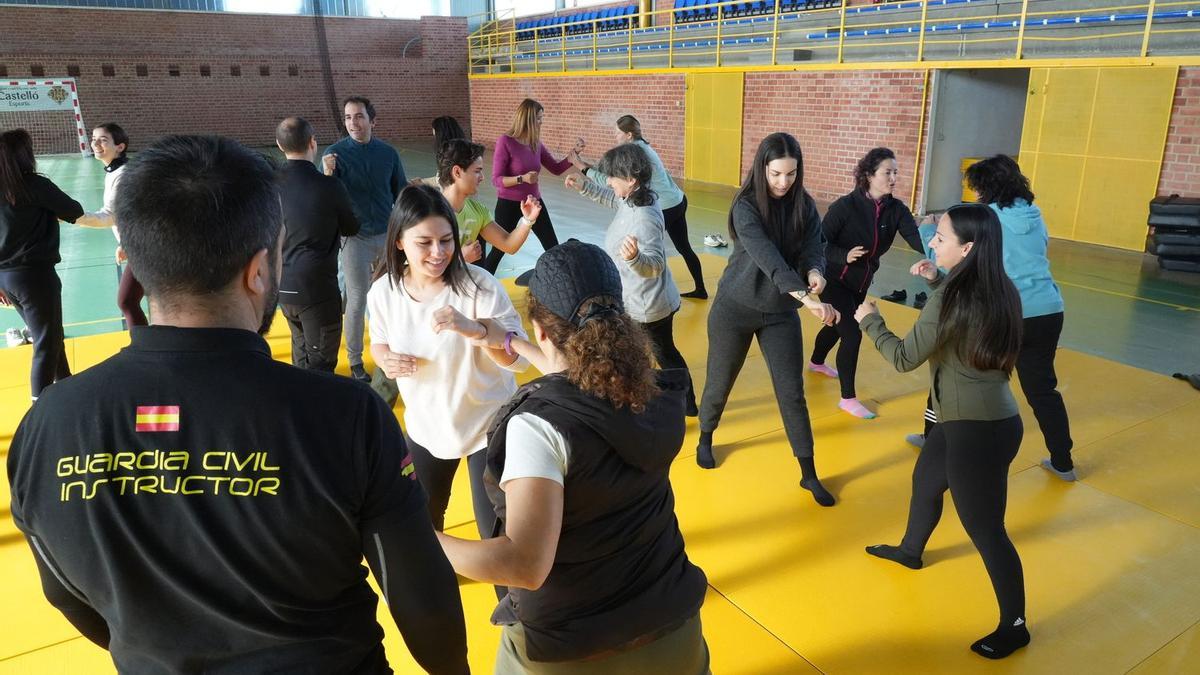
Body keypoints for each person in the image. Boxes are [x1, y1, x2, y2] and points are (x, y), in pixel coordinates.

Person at [6, 135, 469, 674]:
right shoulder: (346, 417)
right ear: (257, 271)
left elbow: (69, 596)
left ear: (134, 260)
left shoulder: (47, 427)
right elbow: (421, 598)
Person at [437, 240, 710, 673]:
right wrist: (507, 340)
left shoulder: (539, 427)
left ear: (542, 331)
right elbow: (578, 375)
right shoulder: (650, 391)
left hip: (574, 647)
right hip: (674, 632)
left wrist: (418, 533)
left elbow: (524, 565)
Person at [856, 203, 1029, 660]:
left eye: (942, 237)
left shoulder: (951, 299)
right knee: (927, 480)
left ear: (967, 248)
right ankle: (911, 550)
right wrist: (936, 277)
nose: (932, 240)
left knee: (987, 530)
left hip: (977, 431)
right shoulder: (997, 287)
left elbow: (902, 358)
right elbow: (961, 320)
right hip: (975, 420)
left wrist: (869, 318)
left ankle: (1015, 625)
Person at [367, 184, 529, 535]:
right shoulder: (383, 292)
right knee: (422, 525)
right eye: (424, 243)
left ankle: (507, 593)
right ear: (399, 242)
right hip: (427, 426)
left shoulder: (480, 286)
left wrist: (477, 330)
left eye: (446, 240)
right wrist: (386, 360)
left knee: (498, 537)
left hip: (488, 425)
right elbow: (379, 341)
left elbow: (520, 362)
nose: (438, 252)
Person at [694, 132, 839, 507]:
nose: (783, 182)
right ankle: (706, 436)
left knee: (792, 392)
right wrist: (807, 298)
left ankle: (808, 474)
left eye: (791, 174)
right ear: (762, 168)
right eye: (776, 174)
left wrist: (816, 272)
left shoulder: (804, 205)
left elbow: (814, 247)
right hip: (735, 308)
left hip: (780, 313)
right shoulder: (745, 206)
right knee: (719, 381)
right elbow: (769, 259)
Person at [564, 143, 697, 415]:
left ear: (631, 180)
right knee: (656, 354)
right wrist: (585, 187)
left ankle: (684, 404)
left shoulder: (644, 218)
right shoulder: (635, 197)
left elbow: (657, 265)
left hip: (649, 306)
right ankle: (673, 401)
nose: (609, 180)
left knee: (661, 355)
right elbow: (614, 199)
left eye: (612, 176)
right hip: (635, 299)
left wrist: (636, 258)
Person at [807, 147, 925, 419]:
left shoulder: (896, 210)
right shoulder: (845, 207)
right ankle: (847, 399)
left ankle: (815, 362)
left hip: (861, 283)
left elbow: (915, 239)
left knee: (837, 327)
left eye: (896, 172)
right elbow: (817, 244)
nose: (894, 177)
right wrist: (842, 255)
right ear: (869, 175)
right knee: (852, 333)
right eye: (888, 172)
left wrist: (941, 247)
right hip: (833, 279)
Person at [572, 115, 706, 299]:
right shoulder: (642, 147)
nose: (615, 137)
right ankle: (701, 289)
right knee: (684, 248)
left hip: (665, 206)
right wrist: (585, 167)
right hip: (678, 201)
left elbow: (610, 181)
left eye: (617, 133)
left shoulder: (635, 152)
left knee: (642, 251)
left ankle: (647, 294)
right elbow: (612, 174)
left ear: (628, 135)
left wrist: (582, 167)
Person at [322, 95, 406, 382]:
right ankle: (355, 360)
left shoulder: (388, 154)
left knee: (392, 294)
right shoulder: (335, 154)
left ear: (372, 120)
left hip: (386, 234)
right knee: (357, 299)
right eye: (347, 117)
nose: (352, 123)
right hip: (354, 237)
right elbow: (329, 198)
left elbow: (401, 193)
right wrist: (328, 174)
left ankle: (392, 350)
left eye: (358, 116)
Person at [0, 128, 82, 400]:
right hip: (34, 277)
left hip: (6, 279)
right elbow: (74, 210)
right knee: (46, 343)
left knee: (51, 336)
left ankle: (66, 388)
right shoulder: (34, 186)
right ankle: (41, 408)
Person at [275, 116, 360, 372]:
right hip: (317, 289)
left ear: (280, 145)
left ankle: (300, 407)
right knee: (322, 364)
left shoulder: (269, 184)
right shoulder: (329, 186)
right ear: (313, 143)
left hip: (282, 285)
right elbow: (351, 227)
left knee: (300, 354)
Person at [483, 98, 582, 274]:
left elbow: (556, 168)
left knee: (552, 247)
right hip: (509, 204)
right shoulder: (506, 142)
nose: (541, 122)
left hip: (534, 203)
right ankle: (481, 284)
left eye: (542, 117)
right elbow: (496, 180)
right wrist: (522, 179)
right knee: (499, 250)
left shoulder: (536, 143)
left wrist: (573, 154)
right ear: (527, 118)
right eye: (538, 118)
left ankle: (564, 285)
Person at [75, 122, 147, 327]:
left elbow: (110, 216)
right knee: (135, 300)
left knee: (127, 301)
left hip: (146, 247)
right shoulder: (115, 172)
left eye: (103, 140)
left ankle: (145, 348)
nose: (96, 143)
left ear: (120, 147)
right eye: (94, 139)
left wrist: (71, 216)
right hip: (138, 244)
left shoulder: (122, 174)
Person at [438, 138, 541, 267]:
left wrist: (528, 220)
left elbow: (509, 245)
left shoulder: (478, 211)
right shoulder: (430, 213)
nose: (482, 177)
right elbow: (417, 269)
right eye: (477, 171)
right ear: (457, 172)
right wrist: (460, 258)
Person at [415, 116, 469, 188]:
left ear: (441, 135)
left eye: (435, 135)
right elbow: (442, 179)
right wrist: (421, 182)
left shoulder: (451, 155)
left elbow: (447, 181)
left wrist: (421, 182)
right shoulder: (463, 149)